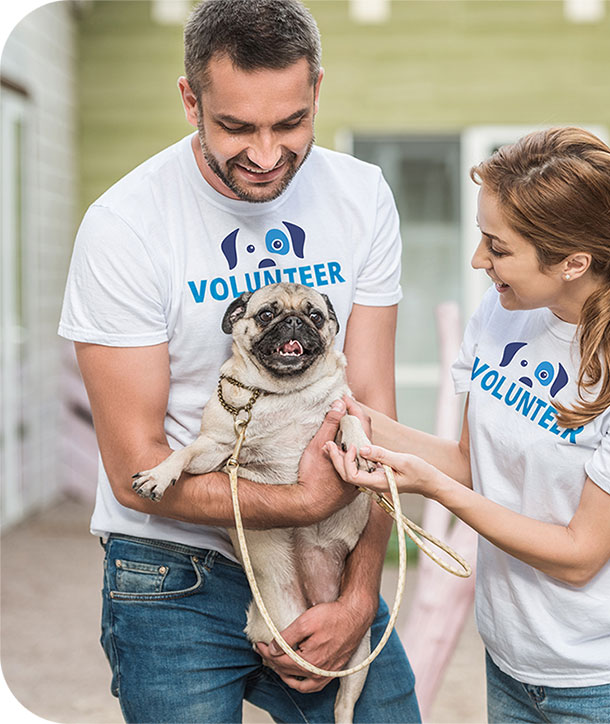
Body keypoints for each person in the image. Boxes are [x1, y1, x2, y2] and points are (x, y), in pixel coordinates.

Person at [57, 1, 420, 722]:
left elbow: (375, 413)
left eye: (290, 123)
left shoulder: (361, 196)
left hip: (327, 554)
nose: (264, 153)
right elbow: (135, 472)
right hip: (173, 572)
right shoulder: (125, 226)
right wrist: (304, 501)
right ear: (190, 100)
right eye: (236, 127)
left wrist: (359, 593)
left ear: (317, 90)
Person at [327, 126, 610, 723]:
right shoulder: (503, 314)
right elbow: (470, 463)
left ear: (573, 263)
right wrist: (344, 415)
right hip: (509, 663)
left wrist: (432, 487)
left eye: (498, 249)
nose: (479, 261)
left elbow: (579, 555)